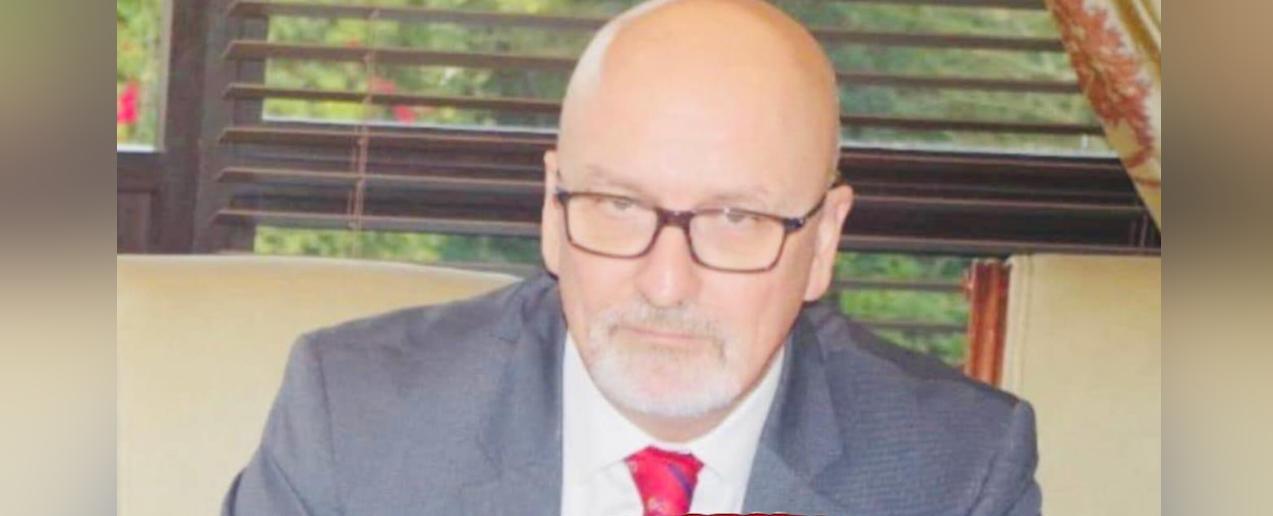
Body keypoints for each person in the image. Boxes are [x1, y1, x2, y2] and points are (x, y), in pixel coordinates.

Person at [222, 0, 1040, 514]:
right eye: (618, 205)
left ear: (822, 241)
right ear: (551, 208)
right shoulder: (356, 419)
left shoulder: (954, 471)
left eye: (735, 217)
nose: (665, 282)